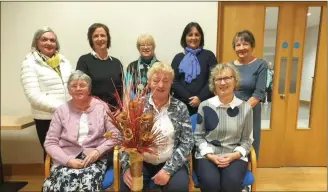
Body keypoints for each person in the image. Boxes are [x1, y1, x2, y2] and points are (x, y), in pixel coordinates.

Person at [119, 62, 194, 192]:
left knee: (178, 188)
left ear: (171, 83)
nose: (161, 85)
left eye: (166, 80)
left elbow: (187, 142)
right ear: (148, 82)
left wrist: (168, 170)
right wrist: (126, 168)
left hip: (171, 162)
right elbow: (125, 139)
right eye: (156, 80)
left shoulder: (180, 107)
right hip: (141, 162)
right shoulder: (137, 105)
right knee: (127, 187)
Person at [42, 70, 120, 192]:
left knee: (87, 181)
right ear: (69, 90)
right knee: (59, 182)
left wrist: (97, 151)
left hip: (94, 160)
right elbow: (50, 143)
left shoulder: (101, 107)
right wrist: (68, 161)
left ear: (89, 89)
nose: (78, 89)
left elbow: (115, 135)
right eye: (74, 86)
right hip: (66, 159)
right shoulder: (61, 111)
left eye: (82, 85)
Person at [194, 63, 253, 192]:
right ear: (213, 84)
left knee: (230, 184)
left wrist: (234, 155)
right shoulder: (205, 106)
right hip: (209, 154)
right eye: (218, 79)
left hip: (234, 155)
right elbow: (198, 136)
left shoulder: (246, 108)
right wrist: (210, 155)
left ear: (235, 81)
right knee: (211, 184)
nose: (222, 82)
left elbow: (247, 140)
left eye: (227, 78)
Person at [20, 26, 72, 160]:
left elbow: (73, 85)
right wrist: (62, 107)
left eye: (52, 40)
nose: (49, 43)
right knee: (52, 154)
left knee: (68, 152)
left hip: (68, 115)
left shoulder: (64, 61)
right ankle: (51, 180)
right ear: (36, 42)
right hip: (47, 118)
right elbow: (33, 95)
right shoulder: (29, 63)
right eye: (44, 39)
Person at [231, 29, 267, 159]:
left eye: (245, 44)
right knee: (230, 141)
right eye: (238, 45)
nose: (241, 48)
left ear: (252, 46)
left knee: (250, 141)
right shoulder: (229, 66)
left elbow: (259, 93)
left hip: (250, 110)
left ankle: (250, 172)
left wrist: (242, 109)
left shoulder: (260, 64)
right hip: (229, 110)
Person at [171, 22, 217, 116]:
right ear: (185, 37)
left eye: (197, 35)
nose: (193, 38)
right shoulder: (178, 58)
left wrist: (200, 98)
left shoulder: (209, 55)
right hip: (182, 105)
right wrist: (190, 99)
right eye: (190, 35)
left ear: (201, 37)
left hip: (205, 103)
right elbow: (174, 81)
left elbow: (213, 79)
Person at [76, 23, 123, 110]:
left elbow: (123, 91)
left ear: (108, 38)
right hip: (93, 112)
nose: (100, 39)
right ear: (91, 40)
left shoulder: (117, 63)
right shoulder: (84, 61)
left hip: (116, 114)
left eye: (103, 35)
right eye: (95, 36)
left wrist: (120, 110)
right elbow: (80, 89)